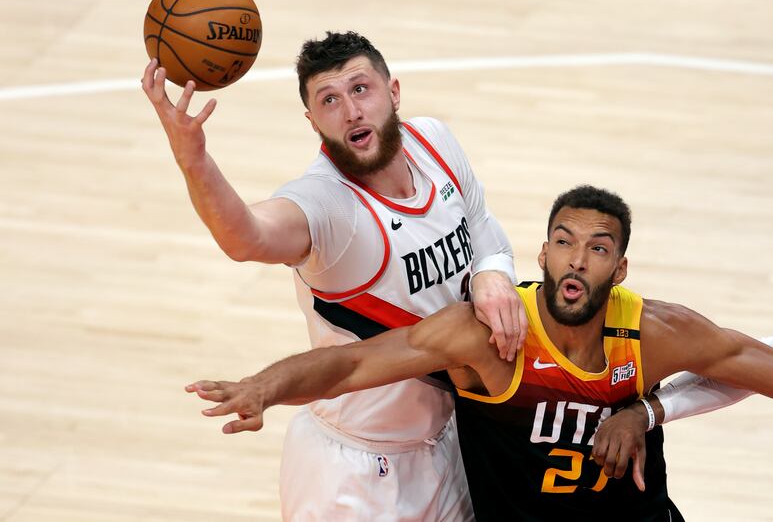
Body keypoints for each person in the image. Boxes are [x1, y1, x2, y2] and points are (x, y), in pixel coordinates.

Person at [187, 185, 773, 521]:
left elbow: (768, 368)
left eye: (597, 249)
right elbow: (353, 363)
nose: (577, 260)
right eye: (564, 242)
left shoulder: (652, 332)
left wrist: (647, 410)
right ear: (542, 255)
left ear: (620, 268)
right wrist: (264, 385)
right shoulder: (490, 337)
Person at [142, 31, 529, 521]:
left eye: (360, 89)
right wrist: (192, 159)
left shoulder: (434, 141)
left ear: (393, 92)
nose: (350, 111)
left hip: (449, 444)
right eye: (329, 100)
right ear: (312, 122)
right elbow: (246, 237)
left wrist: (491, 274)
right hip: (355, 473)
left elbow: (483, 227)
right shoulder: (331, 206)